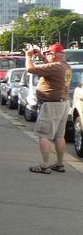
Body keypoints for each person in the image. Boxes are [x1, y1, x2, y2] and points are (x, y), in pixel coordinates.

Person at [25, 43, 72, 174]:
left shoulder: (54, 67)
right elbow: (49, 68)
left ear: (54, 55)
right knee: (59, 135)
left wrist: (28, 57)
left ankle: (45, 165)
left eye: (49, 54)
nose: (47, 56)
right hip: (63, 103)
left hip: (51, 105)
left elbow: (31, 70)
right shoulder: (66, 67)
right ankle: (60, 163)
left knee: (43, 135)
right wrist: (41, 57)